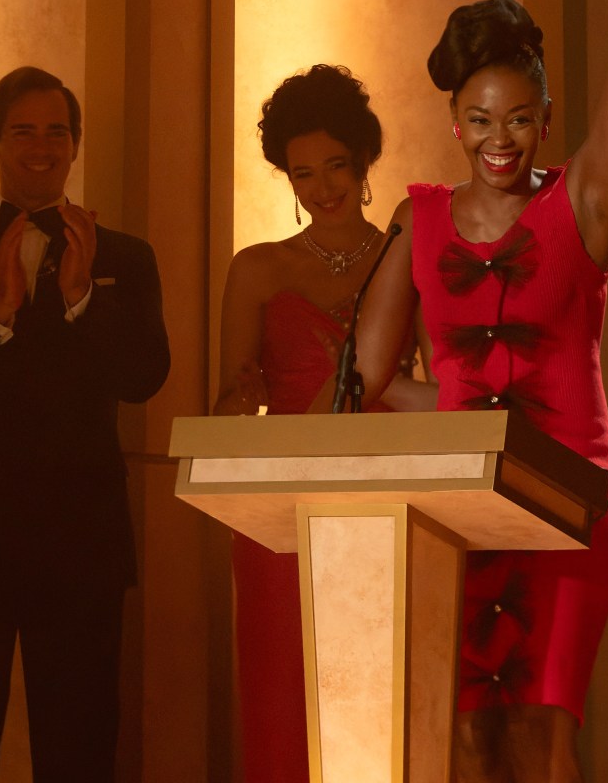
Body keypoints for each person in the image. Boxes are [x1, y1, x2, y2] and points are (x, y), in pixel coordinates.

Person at [311, 0, 608, 783]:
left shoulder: (582, 203)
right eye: (479, 120)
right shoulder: (420, 218)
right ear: (455, 123)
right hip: (463, 504)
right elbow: (373, 379)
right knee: (465, 742)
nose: (500, 141)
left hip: (572, 502)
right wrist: (462, 410)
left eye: (519, 120)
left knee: (543, 736)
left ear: (545, 120)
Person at [214, 63, 435, 782]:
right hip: (282, 519)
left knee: (384, 705)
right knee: (287, 703)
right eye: (302, 173)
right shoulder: (256, 269)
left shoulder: (406, 257)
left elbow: (438, 392)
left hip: (388, 506)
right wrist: (239, 400)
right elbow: (228, 411)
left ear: (364, 159)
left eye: (335, 166)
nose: (322, 189)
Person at [0, 66, 170, 781]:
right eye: (23, 131)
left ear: (76, 145)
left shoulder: (124, 257)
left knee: (80, 742)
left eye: (57, 132)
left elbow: (144, 379)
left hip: (81, 537)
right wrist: (0, 319)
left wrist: (80, 301)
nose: (42, 147)